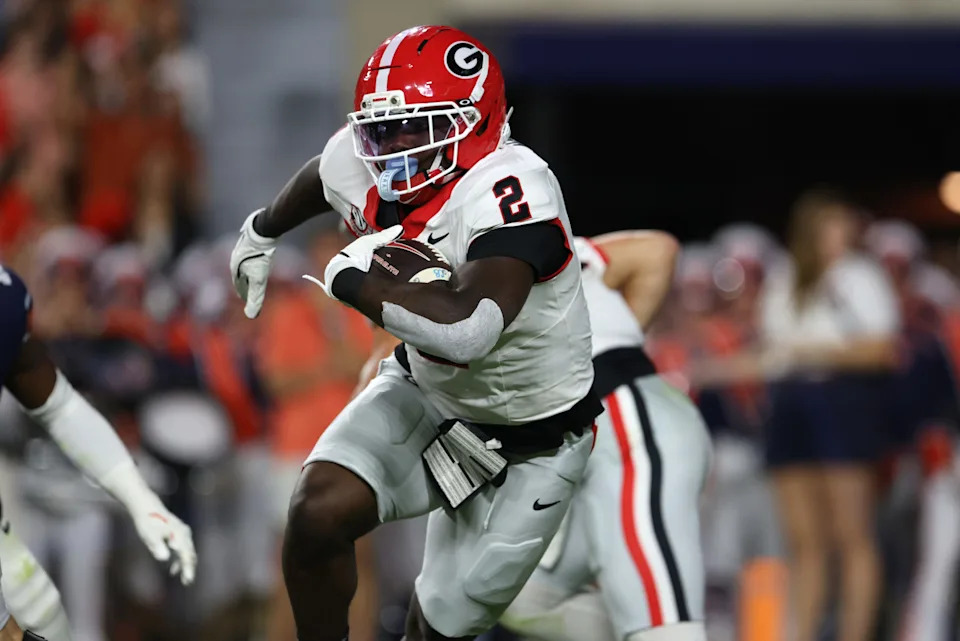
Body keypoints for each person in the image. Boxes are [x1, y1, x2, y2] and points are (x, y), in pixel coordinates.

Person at [229, 25, 602, 641]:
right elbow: (326, 172)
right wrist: (262, 229)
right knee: (315, 512)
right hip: (430, 394)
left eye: (415, 128)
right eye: (382, 130)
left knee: (435, 628)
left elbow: (468, 329)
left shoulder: (512, 189)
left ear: (475, 123)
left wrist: (357, 285)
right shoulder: (366, 157)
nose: (393, 150)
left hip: (532, 441)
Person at [496, 232, 711, 641]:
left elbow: (657, 251)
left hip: (624, 416)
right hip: (573, 445)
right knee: (519, 596)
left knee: (664, 629)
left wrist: (615, 342)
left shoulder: (513, 243)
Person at [0, 263, 197, 641]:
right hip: (28, 492)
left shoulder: (14, 306)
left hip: (78, 494)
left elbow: (65, 405)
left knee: (78, 622)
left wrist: (139, 499)